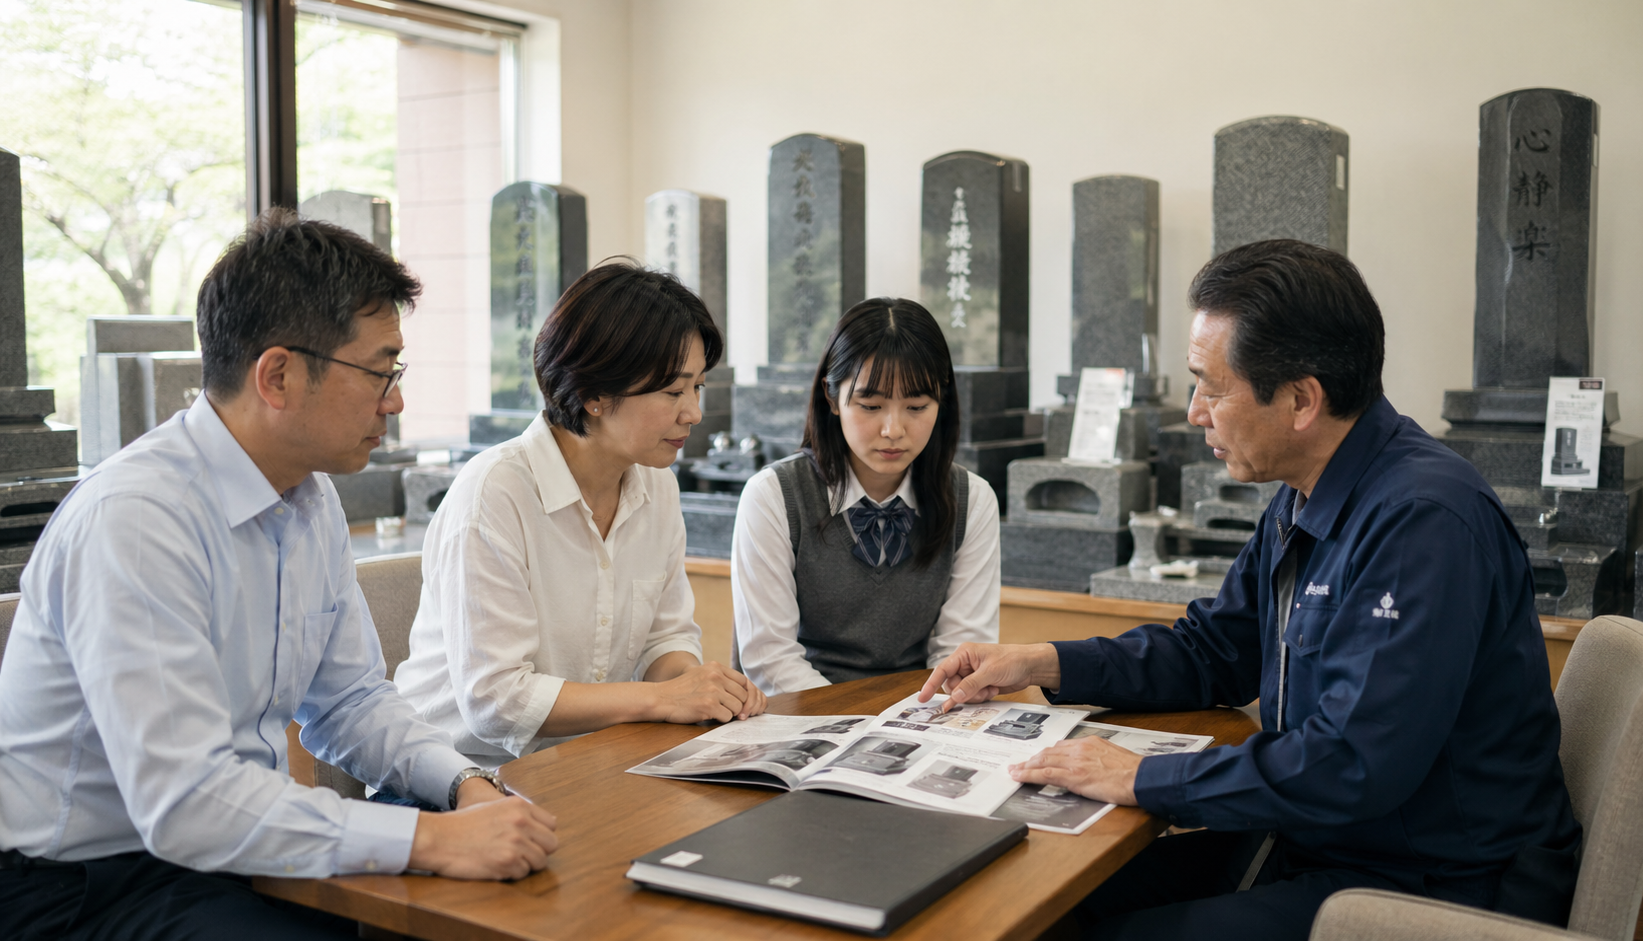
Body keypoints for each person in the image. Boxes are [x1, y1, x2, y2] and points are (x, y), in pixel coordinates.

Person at [920, 240, 1580, 941]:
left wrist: (1144, 776)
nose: (1196, 411)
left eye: (1211, 385)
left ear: (1301, 398)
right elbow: (1214, 650)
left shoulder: (1424, 522)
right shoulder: (1306, 489)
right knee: (1047, 905)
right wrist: (1042, 660)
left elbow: (1353, 762)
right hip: (1327, 843)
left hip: (1433, 886)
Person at [0, 210, 559, 941]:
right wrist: (432, 841)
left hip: (227, 847)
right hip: (85, 884)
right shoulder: (139, 518)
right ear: (279, 374)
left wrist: (465, 788)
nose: (394, 401)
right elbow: (185, 804)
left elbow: (352, 702)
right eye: (380, 371)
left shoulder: (307, 494)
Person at [393, 262, 765, 768]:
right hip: (457, 778)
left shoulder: (657, 484)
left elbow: (666, 636)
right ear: (593, 394)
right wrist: (663, 700)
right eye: (674, 391)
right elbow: (496, 703)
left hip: (586, 763)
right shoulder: (494, 495)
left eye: (698, 387)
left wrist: (696, 689)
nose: (693, 413)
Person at [732, 298, 1000, 695]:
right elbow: (771, 659)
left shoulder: (971, 500)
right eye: (870, 405)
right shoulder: (773, 496)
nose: (893, 429)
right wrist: (855, 727)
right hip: (803, 718)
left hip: (922, 718)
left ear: (941, 402)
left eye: (916, 406)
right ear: (832, 397)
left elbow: (958, 656)